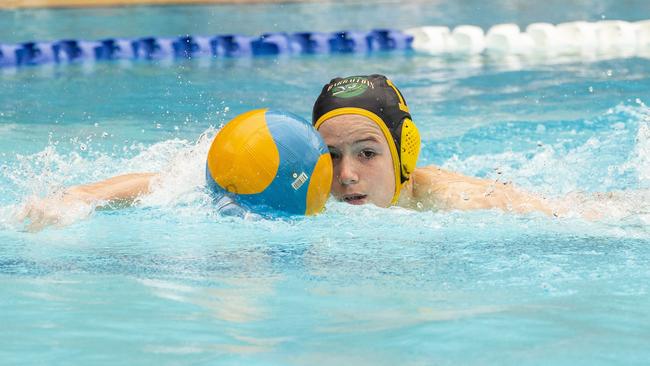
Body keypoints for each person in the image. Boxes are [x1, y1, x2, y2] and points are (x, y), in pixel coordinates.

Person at [18, 74, 570, 230]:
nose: (347, 176)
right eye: (330, 155)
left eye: (368, 154)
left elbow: (565, 214)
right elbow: (167, 179)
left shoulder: (446, 200)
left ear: (403, 155)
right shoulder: (294, 182)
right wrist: (74, 198)